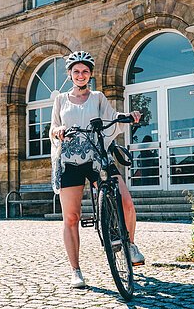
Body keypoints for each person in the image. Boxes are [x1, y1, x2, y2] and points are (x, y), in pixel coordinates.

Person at [49, 51, 145, 288]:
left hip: (97, 157)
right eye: (76, 71)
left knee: (126, 203)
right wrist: (59, 130)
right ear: (70, 74)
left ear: (90, 74)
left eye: (85, 71)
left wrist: (129, 116)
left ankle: (130, 244)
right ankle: (76, 270)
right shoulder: (60, 99)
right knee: (71, 217)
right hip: (70, 160)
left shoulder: (98, 97)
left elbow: (113, 117)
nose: (80, 75)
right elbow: (52, 129)